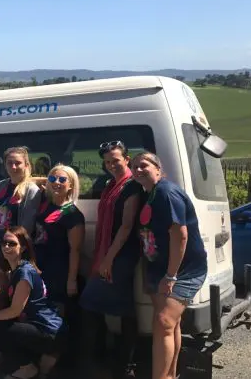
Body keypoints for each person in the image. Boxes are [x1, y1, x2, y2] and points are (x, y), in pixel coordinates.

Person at [131, 152, 208, 379]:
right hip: (160, 267)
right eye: (134, 167)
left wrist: (171, 275)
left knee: (164, 320)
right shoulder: (148, 194)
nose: (137, 170)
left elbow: (180, 235)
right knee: (169, 324)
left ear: (158, 167)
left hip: (182, 270)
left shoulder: (166, 192)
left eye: (143, 165)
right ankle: (170, 375)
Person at [79, 141, 144, 379]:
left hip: (121, 254)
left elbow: (126, 227)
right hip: (111, 254)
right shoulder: (111, 185)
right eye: (107, 162)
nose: (111, 165)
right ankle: (122, 364)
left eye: (115, 160)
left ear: (127, 159)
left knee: (89, 302)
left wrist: (107, 259)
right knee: (125, 308)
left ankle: (98, 362)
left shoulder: (131, 187)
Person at [0, 226, 67, 379]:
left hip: (48, 332)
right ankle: (33, 364)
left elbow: (15, 310)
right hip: (36, 327)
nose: (6, 246)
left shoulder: (24, 272)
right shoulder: (15, 269)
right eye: (4, 243)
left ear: (22, 248)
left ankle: (27, 367)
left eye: (12, 243)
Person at [33, 164, 85, 366]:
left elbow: (76, 250)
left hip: (59, 272)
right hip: (40, 270)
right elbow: (28, 181)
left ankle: (48, 368)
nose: (56, 183)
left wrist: (71, 280)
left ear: (71, 186)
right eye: (52, 178)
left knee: (54, 320)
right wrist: (44, 180)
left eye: (63, 180)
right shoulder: (45, 204)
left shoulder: (72, 214)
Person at [0, 146, 42, 312]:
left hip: (11, 254)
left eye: (18, 163)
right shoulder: (1, 186)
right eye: (10, 163)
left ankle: (6, 334)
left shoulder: (31, 190)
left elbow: (25, 228)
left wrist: (7, 259)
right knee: (0, 301)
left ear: (27, 165)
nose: (14, 167)